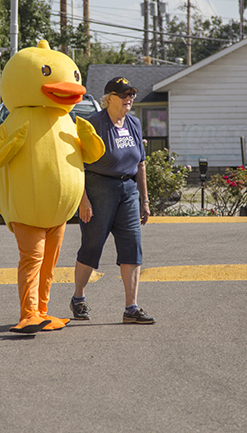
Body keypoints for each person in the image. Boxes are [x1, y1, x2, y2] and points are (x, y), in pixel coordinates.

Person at [71, 77, 156, 324]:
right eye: (123, 94)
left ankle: (131, 307)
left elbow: (140, 163)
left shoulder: (134, 123)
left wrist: (145, 200)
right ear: (109, 98)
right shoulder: (92, 124)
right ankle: (78, 298)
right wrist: (83, 199)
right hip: (99, 188)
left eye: (131, 94)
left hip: (128, 190)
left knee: (132, 246)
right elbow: (77, 165)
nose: (129, 98)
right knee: (92, 246)